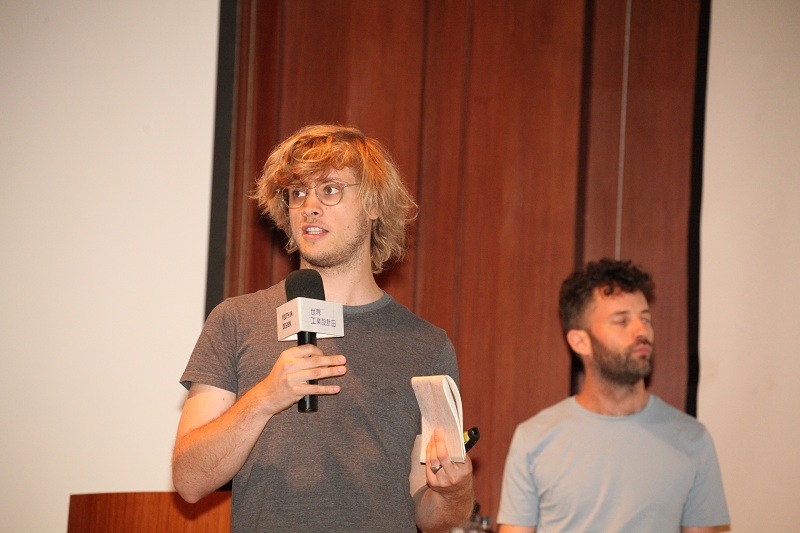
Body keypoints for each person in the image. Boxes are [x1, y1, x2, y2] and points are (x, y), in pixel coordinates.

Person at [172, 124, 474, 532]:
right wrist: (265, 397)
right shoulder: (236, 321)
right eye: (298, 193)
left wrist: (455, 492)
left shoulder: (425, 345)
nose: (309, 206)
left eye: (330, 189)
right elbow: (189, 480)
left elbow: (429, 515)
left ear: (373, 204)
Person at [496, 259, 729, 533]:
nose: (642, 331)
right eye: (622, 321)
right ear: (580, 341)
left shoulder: (693, 440)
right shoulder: (534, 439)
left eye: (645, 319)